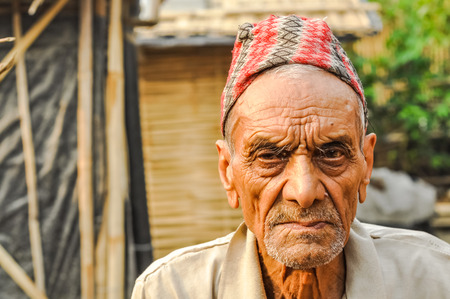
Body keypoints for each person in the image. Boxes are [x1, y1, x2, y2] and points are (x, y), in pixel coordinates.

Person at [132, 15, 450, 299]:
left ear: (366, 163)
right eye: (270, 156)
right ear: (228, 172)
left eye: (333, 153)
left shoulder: (435, 280)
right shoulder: (171, 290)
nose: (304, 191)